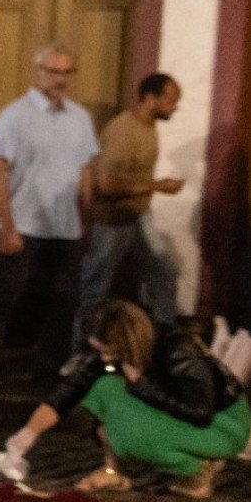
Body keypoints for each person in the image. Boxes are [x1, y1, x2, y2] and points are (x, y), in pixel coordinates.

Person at [0, 299, 249, 499]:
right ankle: (113, 471)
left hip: (222, 424)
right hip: (183, 414)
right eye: (100, 351)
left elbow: (200, 412)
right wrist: (27, 435)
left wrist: (142, 387)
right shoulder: (117, 353)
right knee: (102, 387)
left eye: (108, 351)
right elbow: (69, 392)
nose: (105, 359)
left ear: (126, 340)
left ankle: (197, 470)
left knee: (129, 433)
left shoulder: (177, 350)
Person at [0, 44, 99, 383]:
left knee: (64, 298)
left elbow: (84, 171)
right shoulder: (15, 115)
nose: (60, 79)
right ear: (38, 72)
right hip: (23, 219)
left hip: (64, 225)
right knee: (6, 293)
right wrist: (7, 225)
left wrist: (86, 218)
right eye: (53, 71)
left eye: (67, 72)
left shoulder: (79, 118)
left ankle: (48, 366)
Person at [76, 73, 184, 341]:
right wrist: (156, 187)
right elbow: (106, 185)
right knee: (94, 290)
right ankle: (78, 358)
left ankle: (162, 343)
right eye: (170, 101)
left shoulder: (148, 128)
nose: (175, 107)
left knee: (164, 272)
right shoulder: (123, 130)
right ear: (150, 99)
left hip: (136, 216)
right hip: (110, 222)